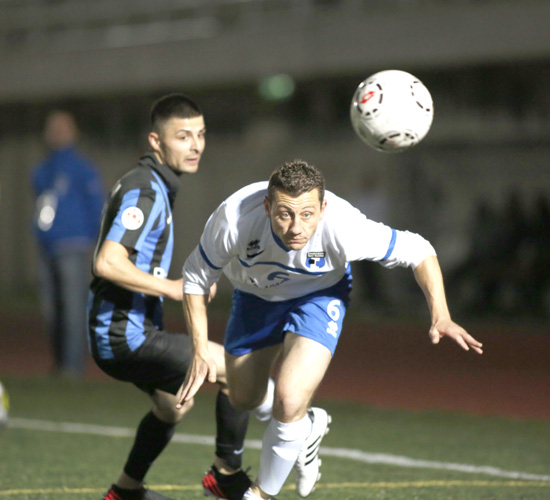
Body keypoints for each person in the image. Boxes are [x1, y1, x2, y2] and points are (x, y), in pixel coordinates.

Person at [177, 160, 484, 500]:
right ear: (267, 207)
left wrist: (441, 314)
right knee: (242, 398)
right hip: (254, 298)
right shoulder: (233, 220)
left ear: (323, 209)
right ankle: (306, 426)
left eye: (307, 214)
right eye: (285, 214)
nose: (296, 227)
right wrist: (200, 350)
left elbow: (419, 250)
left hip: (319, 296)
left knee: (289, 399)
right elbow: (195, 278)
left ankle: (260, 494)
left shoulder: (343, 226)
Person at [87, 94, 252, 500]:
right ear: (156, 141)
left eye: (201, 134)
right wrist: (176, 287)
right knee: (237, 369)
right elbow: (107, 262)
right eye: (183, 136)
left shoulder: (153, 184)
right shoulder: (145, 190)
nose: (195, 145)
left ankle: (126, 491)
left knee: (173, 405)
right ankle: (226, 474)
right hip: (124, 335)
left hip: (126, 332)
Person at [31, 110, 105, 378]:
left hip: (73, 246)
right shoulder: (42, 170)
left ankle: (72, 368)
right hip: (47, 248)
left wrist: (98, 243)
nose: (57, 133)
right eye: (53, 128)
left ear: (74, 132)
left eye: (63, 128)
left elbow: (97, 206)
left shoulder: (83, 168)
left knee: (73, 308)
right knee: (52, 310)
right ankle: (59, 363)